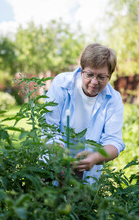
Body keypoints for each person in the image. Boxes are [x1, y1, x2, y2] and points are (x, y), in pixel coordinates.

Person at [43, 43, 125, 185]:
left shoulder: (113, 99)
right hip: (53, 164)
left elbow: (114, 142)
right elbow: (49, 128)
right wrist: (61, 156)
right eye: (89, 74)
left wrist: (95, 157)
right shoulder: (61, 84)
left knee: (81, 205)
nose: (94, 82)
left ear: (110, 76)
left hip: (87, 174)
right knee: (47, 203)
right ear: (81, 70)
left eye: (101, 77)